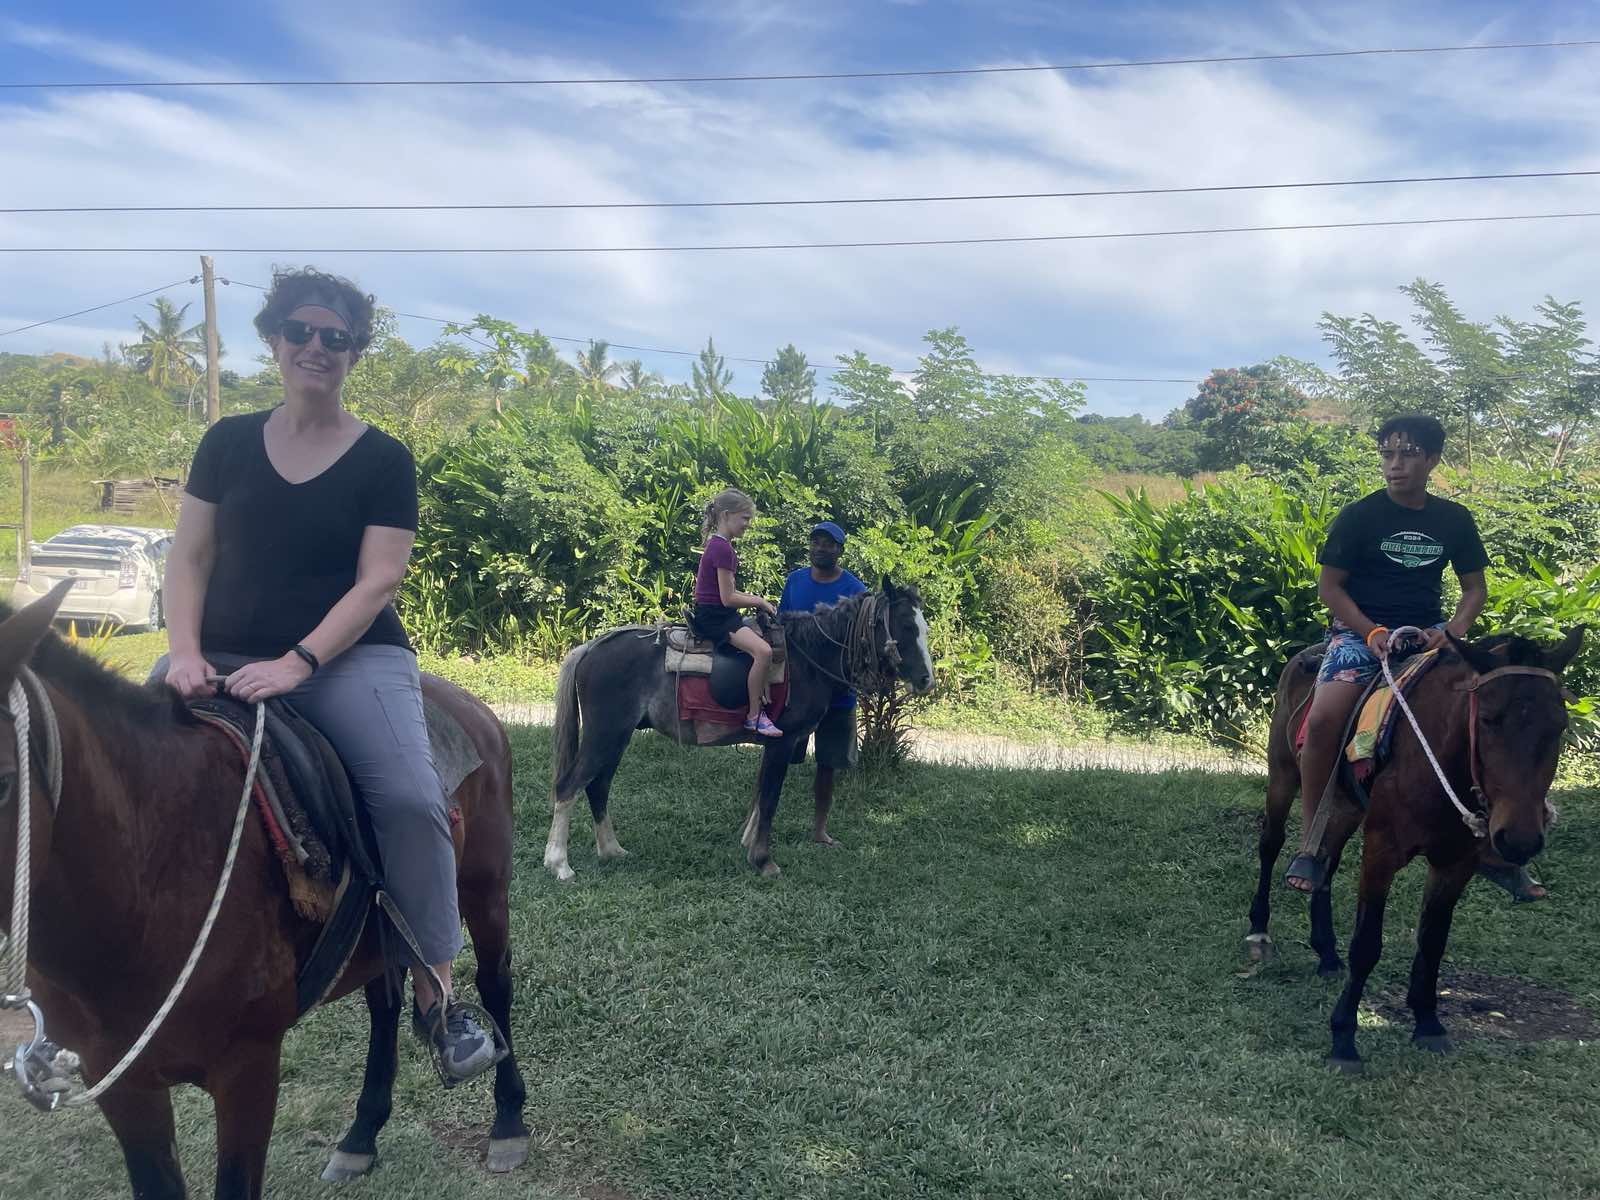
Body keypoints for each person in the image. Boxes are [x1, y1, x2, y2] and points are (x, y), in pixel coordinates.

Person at [161, 266, 497, 1082]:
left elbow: (378, 579)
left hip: (348, 659)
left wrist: (298, 662)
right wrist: (183, 650)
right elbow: (189, 557)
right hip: (220, 652)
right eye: (301, 331)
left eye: (336, 337)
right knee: (108, 763)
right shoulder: (225, 442)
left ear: (355, 351)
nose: (317, 346)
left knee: (412, 798)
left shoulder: (384, 459)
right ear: (274, 341)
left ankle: (439, 994)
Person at [1283, 413, 1543, 901]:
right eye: (1387, 454)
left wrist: (1450, 632)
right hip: (1360, 635)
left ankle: (1493, 845)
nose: (1395, 464)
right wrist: (1370, 630)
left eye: (1407, 454)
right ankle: (1312, 843)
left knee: (1488, 715)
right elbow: (1330, 588)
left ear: (1433, 459)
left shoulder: (1454, 519)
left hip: (1428, 639)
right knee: (1322, 721)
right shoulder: (1359, 516)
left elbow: (1474, 589)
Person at [779, 521, 868, 845]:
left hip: (838, 693)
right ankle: (761, 816)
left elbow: (862, 640)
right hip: (795, 691)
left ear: (839, 550)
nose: (820, 548)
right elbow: (782, 625)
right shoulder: (795, 581)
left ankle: (819, 829)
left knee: (828, 764)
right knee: (779, 755)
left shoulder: (856, 589)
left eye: (828, 543)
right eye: (815, 541)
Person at [691, 488, 782, 737]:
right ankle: (754, 717)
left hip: (716, 613)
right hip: (716, 618)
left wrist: (757, 601)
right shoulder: (723, 549)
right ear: (726, 515)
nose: (748, 524)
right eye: (745, 518)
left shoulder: (718, 544)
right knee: (763, 652)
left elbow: (727, 591)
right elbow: (728, 598)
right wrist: (759, 602)